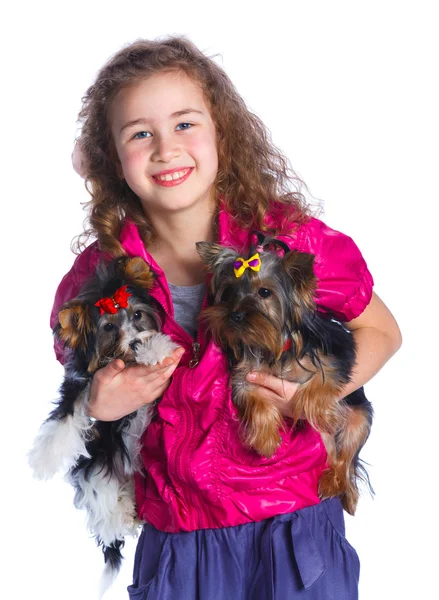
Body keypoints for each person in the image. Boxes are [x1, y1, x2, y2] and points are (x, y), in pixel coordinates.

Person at [51, 36, 402, 599]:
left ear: (222, 133)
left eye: (185, 124)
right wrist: (99, 402)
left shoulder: (288, 240)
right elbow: (79, 384)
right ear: (113, 158)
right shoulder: (99, 276)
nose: (167, 149)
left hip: (294, 531)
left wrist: (312, 387)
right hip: (179, 546)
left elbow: (382, 332)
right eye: (140, 134)